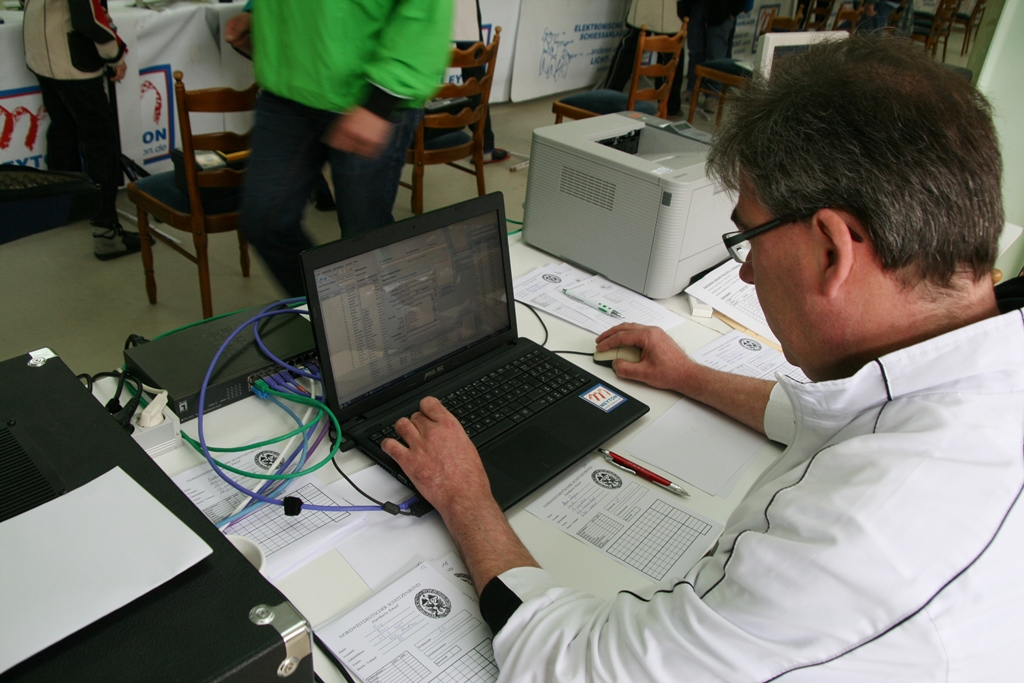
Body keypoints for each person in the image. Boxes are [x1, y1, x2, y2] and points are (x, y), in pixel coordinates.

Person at [381, 35, 1024, 680]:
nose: (745, 273)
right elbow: (835, 414)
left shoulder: (856, 534)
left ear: (832, 251)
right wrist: (688, 375)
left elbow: (581, 666)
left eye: (750, 237)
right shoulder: (979, 368)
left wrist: (468, 500)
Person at [225, 0, 452, 297]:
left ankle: (371, 315)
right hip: (287, 90)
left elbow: (427, 10)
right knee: (264, 222)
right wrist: (256, 12)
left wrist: (380, 102)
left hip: (366, 95)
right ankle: (331, 310)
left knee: (364, 236)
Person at [22, 0, 144, 260]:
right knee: (101, 142)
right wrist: (115, 54)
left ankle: (66, 208)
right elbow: (87, 20)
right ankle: (107, 234)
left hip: (41, 50)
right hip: (71, 58)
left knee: (63, 129)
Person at [678, 0, 746, 112]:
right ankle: (691, 89)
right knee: (695, 52)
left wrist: (733, 11)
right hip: (695, 7)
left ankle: (713, 96)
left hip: (722, 11)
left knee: (716, 58)